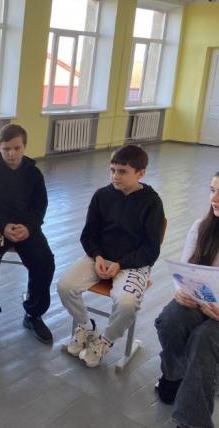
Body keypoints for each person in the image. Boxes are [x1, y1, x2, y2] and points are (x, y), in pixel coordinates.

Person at [58, 144, 165, 368]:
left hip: (133, 264)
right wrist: (97, 256)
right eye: (112, 170)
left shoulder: (152, 202)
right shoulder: (102, 196)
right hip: (99, 258)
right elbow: (88, 235)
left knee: (127, 303)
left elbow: (151, 249)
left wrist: (120, 264)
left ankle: (105, 341)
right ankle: (87, 327)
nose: (115, 176)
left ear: (141, 173)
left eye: (123, 171)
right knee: (65, 286)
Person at [0, 124, 55, 345]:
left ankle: (33, 313)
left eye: (16, 148)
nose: (11, 153)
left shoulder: (34, 174)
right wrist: (3, 226)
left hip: (26, 227)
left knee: (45, 261)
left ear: (24, 147)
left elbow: (40, 206)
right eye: (6, 149)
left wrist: (28, 227)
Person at [154, 171, 219, 428]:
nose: (215, 198)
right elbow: (185, 269)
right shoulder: (201, 227)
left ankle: (192, 422)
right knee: (170, 320)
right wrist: (180, 291)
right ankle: (174, 375)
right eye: (213, 190)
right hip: (201, 302)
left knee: (203, 339)